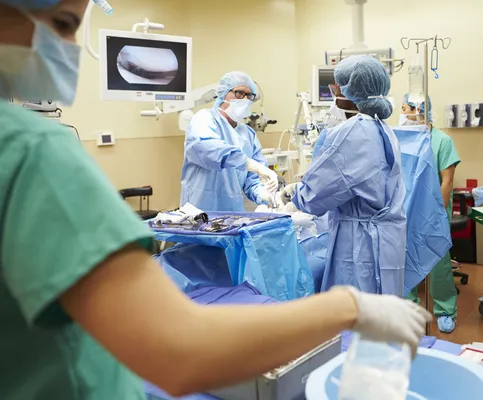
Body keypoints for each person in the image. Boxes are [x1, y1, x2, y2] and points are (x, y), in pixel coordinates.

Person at [0, 1, 432, 398]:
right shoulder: (37, 150)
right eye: (61, 22)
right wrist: (347, 307)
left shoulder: (250, 131)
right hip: (200, 213)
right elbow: (176, 344)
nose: (71, 45)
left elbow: (256, 176)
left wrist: (265, 190)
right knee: (194, 279)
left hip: (239, 217)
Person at [281, 55, 407, 297]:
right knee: (383, 317)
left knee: (356, 321)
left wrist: (294, 193)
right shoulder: (383, 128)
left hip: (361, 245)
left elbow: (316, 196)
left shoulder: (352, 132)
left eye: (336, 87)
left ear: (348, 91)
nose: (333, 91)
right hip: (387, 239)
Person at [399, 94, 460, 333]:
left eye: (405, 109)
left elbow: (447, 181)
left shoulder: (442, 141)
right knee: (406, 261)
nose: (402, 115)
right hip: (406, 210)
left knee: (438, 264)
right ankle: (410, 309)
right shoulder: (403, 140)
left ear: (418, 110)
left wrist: (435, 215)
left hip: (432, 213)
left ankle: (445, 310)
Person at [180, 71, 278, 211]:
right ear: (223, 93)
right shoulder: (203, 119)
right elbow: (210, 149)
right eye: (239, 93)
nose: (244, 99)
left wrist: (264, 194)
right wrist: (249, 163)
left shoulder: (248, 134)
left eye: (249, 95)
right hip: (199, 213)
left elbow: (253, 180)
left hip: (233, 215)